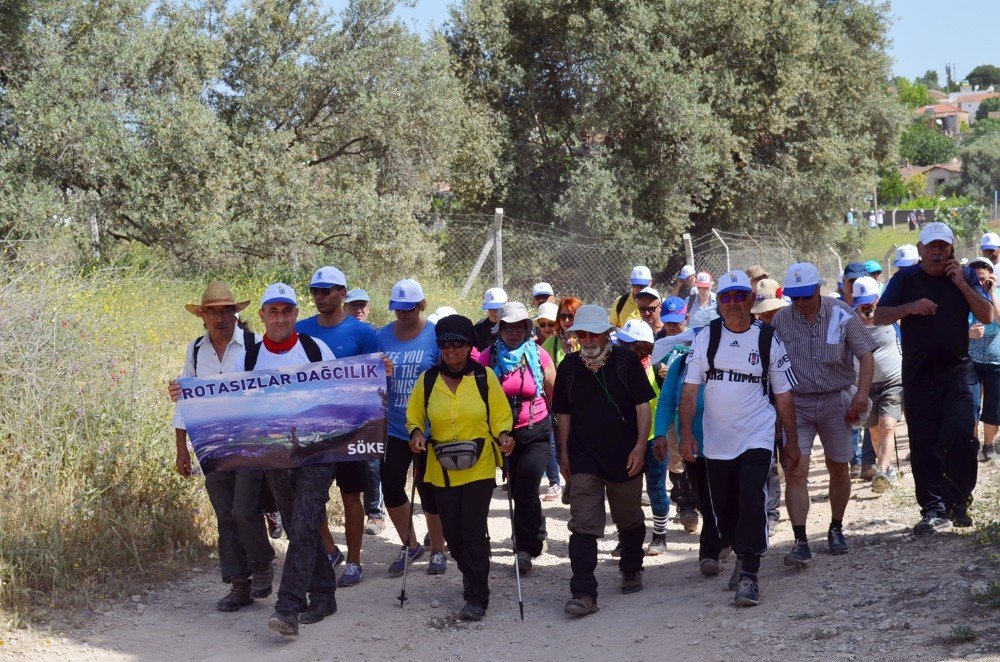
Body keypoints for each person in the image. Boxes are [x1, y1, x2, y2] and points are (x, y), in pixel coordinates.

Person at [679, 270, 799, 607]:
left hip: (757, 432)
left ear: (750, 300)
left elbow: (784, 395)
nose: (733, 303)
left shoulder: (768, 339)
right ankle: (738, 548)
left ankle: (749, 572)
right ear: (718, 303)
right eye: (726, 297)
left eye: (739, 296)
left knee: (751, 498)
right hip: (717, 438)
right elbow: (689, 389)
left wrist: (789, 440)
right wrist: (686, 432)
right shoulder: (707, 338)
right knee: (723, 509)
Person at [875, 222, 993, 534]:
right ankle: (932, 508)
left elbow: (988, 315)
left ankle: (959, 501)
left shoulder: (965, 276)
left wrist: (963, 286)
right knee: (924, 443)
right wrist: (910, 307)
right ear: (921, 249)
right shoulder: (905, 278)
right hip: (919, 375)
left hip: (957, 370)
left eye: (943, 246)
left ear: (952, 249)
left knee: (961, 435)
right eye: (932, 247)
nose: (938, 252)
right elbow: (879, 315)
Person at [171, 282, 275, 613]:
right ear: (202, 315)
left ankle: (262, 564)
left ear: (236, 313)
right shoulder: (195, 350)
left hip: (249, 440)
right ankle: (238, 583)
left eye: (226, 310)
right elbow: (185, 399)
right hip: (211, 443)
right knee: (225, 513)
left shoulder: (254, 345)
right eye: (213, 311)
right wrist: (181, 448)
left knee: (245, 509)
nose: (220, 317)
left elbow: (276, 387)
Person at [406, 315, 514, 622]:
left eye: (458, 344)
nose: (451, 350)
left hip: (479, 466)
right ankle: (474, 571)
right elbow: (414, 418)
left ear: (469, 346)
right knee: (453, 535)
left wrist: (505, 437)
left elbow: (500, 416)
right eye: (444, 344)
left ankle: (476, 594)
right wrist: (415, 435)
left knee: (472, 531)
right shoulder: (427, 380)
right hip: (441, 468)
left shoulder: (485, 377)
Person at [771, 262, 877, 566]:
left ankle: (836, 528)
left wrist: (861, 394)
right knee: (796, 468)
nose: (801, 303)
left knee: (839, 466)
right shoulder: (780, 321)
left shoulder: (841, 313)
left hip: (836, 401)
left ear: (818, 289)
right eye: (795, 298)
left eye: (806, 296)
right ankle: (800, 539)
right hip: (797, 403)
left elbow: (866, 356)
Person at [553, 305, 655, 616]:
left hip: (624, 456)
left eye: (592, 332)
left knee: (628, 518)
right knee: (582, 524)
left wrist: (640, 447)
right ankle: (583, 592)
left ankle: (631, 567)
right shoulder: (569, 368)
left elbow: (642, 406)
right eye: (581, 333)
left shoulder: (626, 361)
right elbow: (563, 414)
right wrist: (564, 453)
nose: (587, 339)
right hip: (584, 457)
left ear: (607, 333)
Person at [250, 283, 338, 636]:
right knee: (296, 524)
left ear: (296, 314)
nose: (281, 317)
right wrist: (184, 392)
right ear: (262, 316)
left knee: (303, 524)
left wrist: (380, 372)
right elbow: (223, 396)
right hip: (275, 456)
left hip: (318, 453)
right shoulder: (250, 357)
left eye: (287, 310)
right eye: (274, 310)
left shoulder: (317, 349)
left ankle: (288, 606)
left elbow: (347, 388)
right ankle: (325, 593)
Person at [295, 267, 379, 587]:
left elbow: (376, 380)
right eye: (315, 291)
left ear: (342, 293)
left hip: (351, 428)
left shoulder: (363, 333)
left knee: (350, 495)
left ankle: (355, 561)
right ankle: (330, 550)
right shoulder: (300, 329)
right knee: (310, 496)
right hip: (312, 427)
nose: (319, 296)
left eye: (326, 290)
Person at [476, 302, 556, 573]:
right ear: (500, 330)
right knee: (515, 489)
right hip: (500, 434)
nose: (514, 333)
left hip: (536, 430)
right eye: (508, 328)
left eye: (520, 327)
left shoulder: (539, 355)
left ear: (526, 328)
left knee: (527, 487)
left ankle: (525, 548)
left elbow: (553, 391)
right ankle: (534, 531)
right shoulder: (488, 358)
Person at [376, 279, 448, 577]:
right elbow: (367, 374)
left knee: (429, 490)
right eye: (397, 308)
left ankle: (439, 550)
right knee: (390, 484)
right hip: (394, 426)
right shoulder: (382, 336)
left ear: (422, 306)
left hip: (430, 428)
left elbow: (448, 374)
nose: (403, 314)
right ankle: (411, 544)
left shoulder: (434, 335)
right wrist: (378, 368)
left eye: (409, 308)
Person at [653, 308, 720, 573]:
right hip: (692, 445)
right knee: (705, 497)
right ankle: (715, 546)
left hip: (727, 442)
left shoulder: (730, 361)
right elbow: (667, 400)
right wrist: (660, 434)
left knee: (720, 497)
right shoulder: (681, 365)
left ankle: (711, 551)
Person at [617, 320, 668, 555]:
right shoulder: (615, 368)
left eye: (627, 344)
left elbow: (666, 403)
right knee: (625, 492)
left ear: (641, 348)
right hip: (625, 440)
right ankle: (626, 537)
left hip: (652, 439)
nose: (621, 348)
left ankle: (659, 536)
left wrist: (662, 435)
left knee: (656, 488)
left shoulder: (658, 369)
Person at [851, 276, 903, 493]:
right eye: (861, 302)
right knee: (874, 430)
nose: (866, 306)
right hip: (865, 386)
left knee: (887, 426)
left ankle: (880, 472)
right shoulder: (849, 321)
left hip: (893, 380)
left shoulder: (891, 317)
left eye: (870, 301)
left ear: (878, 298)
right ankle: (887, 467)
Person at [750, 278, 790, 529]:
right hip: (763, 404)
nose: (771, 318)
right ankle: (770, 513)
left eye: (775, 313)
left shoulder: (792, 331)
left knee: (788, 459)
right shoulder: (754, 337)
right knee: (767, 462)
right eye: (766, 315)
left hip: (789, 401)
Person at [968, 257, 1000, 462]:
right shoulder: (963, 297)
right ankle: (972, 443)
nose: (980, 283)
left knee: (993, 407)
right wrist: (967, 333)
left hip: (995, 361)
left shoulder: (995, 295)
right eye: (976, 279)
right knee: (970, 405)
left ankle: (989, 445)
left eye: (983, 279)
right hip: (970, 361)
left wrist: (992, 295)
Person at [541, 297, 582, 367]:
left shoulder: (586, 340)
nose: (566, 320)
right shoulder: (551, 342)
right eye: (563, 316)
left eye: (571, 316)